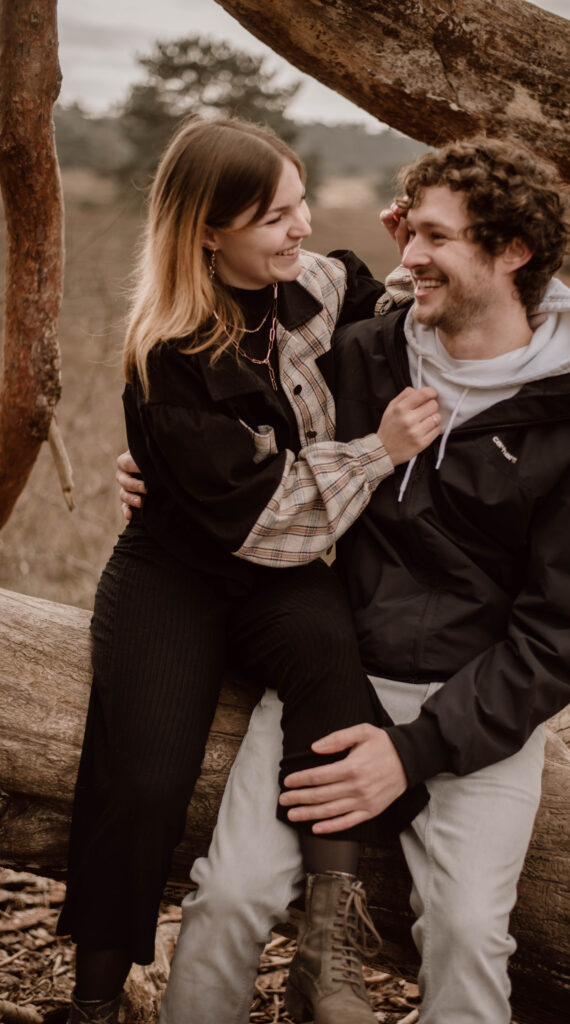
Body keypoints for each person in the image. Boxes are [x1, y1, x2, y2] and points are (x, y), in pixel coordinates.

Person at [120, 135, 570, 1024]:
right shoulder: (364, 353)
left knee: (468, 935)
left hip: (477, 710)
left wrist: (412, 753)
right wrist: (160, 471)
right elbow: (243, 437)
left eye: (436, 237)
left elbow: (563, 639)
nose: (408, 255)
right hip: (334, 680)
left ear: (512, 252)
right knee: (230, 898)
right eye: (411, 232)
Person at [53, 115, 441, 1024]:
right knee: (142, 780)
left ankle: (326, 954)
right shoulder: (169, 354)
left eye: (301, 202)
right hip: (177, 571)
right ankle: (96, 1002)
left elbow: (390, 325)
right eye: (274, 216)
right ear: (206, 231)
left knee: (332, 666)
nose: (302, 226)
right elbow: (264, 517)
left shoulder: (315, 284)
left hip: (280, 575)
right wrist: (376, 453)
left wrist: (414, 259)